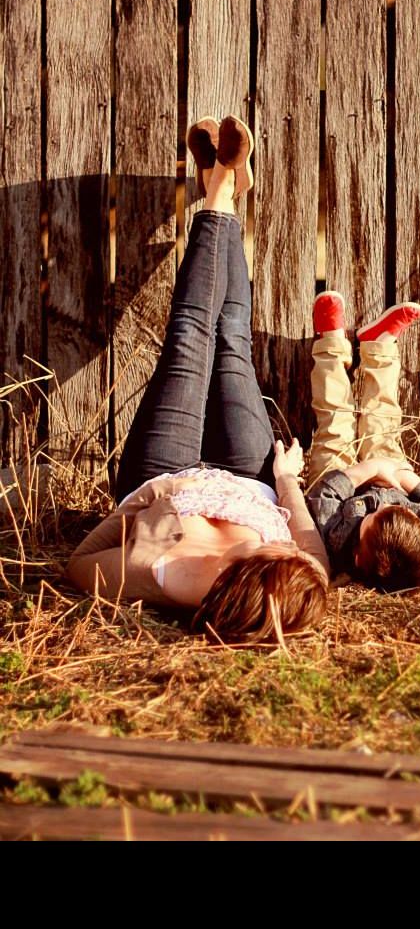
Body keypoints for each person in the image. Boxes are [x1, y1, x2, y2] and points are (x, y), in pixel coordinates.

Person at [66, 115, 329, 644]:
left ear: (244, 575)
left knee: (188, 337)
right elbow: (313, 552)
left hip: (163, 474)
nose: (291, 548)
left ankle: (221, 190)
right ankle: (223, 189)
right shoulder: (305, 581)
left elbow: (79, 562)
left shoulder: (160, 573)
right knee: (233, 342)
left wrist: (142, 505)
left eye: (279, 553)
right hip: (252, 477)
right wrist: (286, 482)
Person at [305, 292, 420, 592]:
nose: (377, 506)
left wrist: (368, 469)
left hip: (338, 484)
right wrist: (405, 479)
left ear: (359, 557)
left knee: (334, 424)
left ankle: (331, 345)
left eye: (370, 517)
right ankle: (379, 345)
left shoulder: (339, 543)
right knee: (383, 424)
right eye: (390, 510)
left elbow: (324, 496)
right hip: (394, 478)